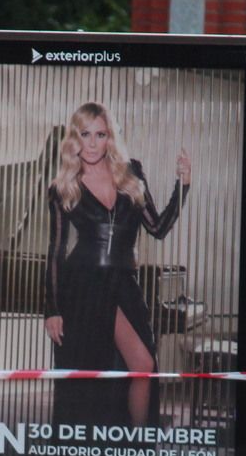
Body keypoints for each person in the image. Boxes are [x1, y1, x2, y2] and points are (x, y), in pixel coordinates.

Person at [44, 101, 191, 427]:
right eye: (85, 135)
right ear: (74, 139)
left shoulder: (131, 173)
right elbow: (55, 250)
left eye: (101, 134)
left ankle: (137, 447)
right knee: (86, 375)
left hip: (124, 283)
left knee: (142, 364)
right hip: (82, 285)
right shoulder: (63, 186)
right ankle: (83, 449)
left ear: (111, 138)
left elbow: (158, 227)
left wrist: (182, 186)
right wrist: (52, 308)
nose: (93, 143)